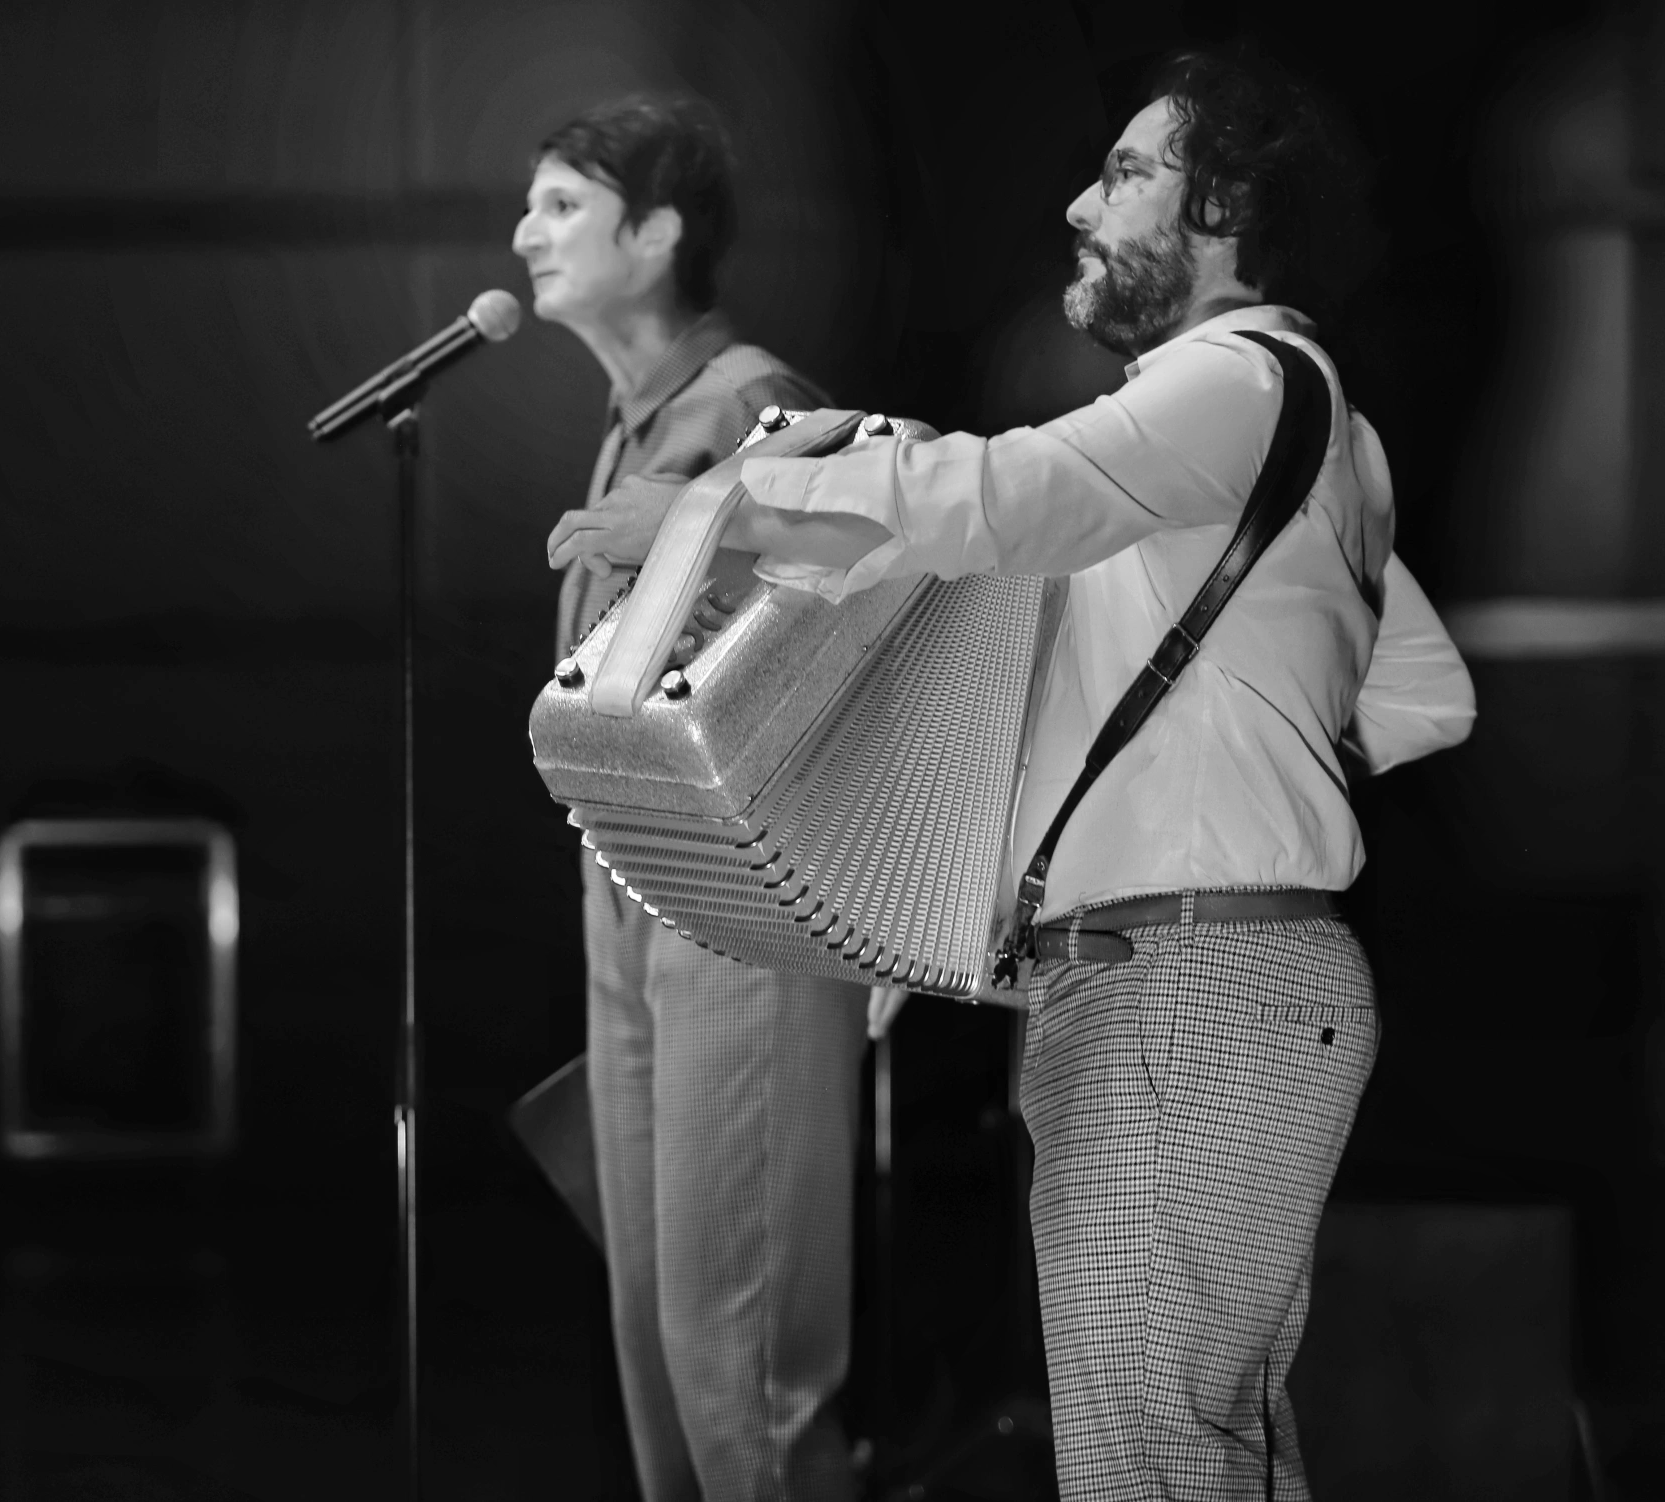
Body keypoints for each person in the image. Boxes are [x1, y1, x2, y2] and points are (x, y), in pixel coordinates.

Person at [550, 53, 1477, 1501]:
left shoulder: (1230, 380)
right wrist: (1243, 758)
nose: (1076, 204)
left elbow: (991, 497)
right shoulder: (1330, 431)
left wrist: (718, 506)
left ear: (1226, 206)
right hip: (1231, 982)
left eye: (1126, 173)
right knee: (1208, 1454)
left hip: (1186, 979)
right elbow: (1422, 694)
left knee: (1148, 1464)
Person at [516, 95, 870, 1502]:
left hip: (735, 889)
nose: (525, 233)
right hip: (634, 882)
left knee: (744, 1373)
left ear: (657, 233)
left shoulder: (753, 400)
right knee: (661, 1347)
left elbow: (831, 622)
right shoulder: (632, 424)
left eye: (561, 205)